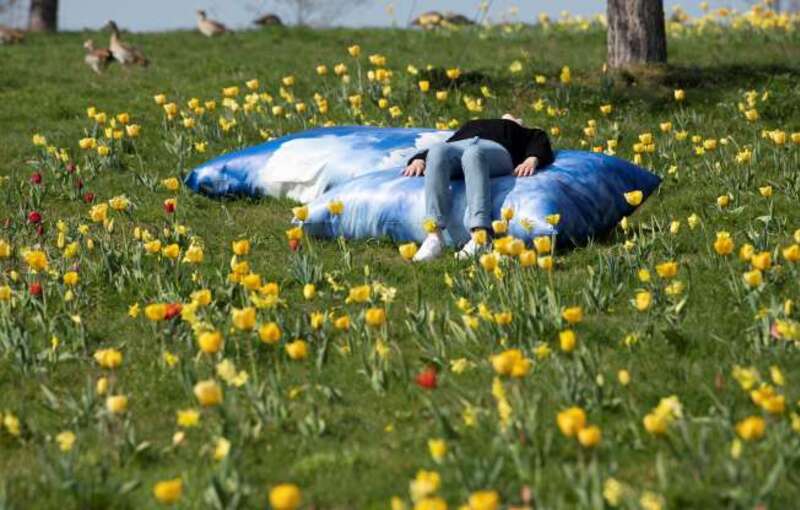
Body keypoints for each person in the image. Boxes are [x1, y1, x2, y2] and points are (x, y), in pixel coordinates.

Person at [403, 114, 555, 261]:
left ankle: (480, 236)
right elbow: (447, 144)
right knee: (438, 150)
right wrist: (419, 159)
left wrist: (532, 159)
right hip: (460, 146)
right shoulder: (471, 125)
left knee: (473, 153)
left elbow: (540, 140)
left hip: (495, 151)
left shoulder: (519, 130)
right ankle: (434, 236)